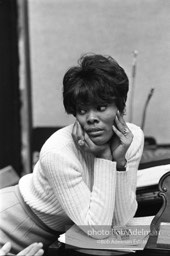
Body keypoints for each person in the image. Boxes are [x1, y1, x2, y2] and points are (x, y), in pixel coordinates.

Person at [0, 53, 144, 253]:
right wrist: (103, 157)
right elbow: (99, 230)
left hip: (56, 234)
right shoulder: (58, 151)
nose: (92, 118)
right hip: (10, 224)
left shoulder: (132, 139)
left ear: (120, 107)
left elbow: (120, 223)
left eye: (101, 107)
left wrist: (119, 163)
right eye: (83, 110)